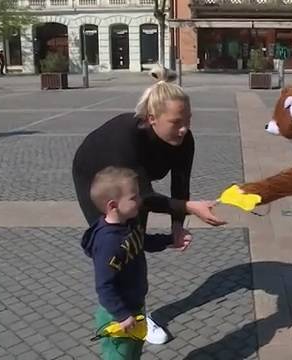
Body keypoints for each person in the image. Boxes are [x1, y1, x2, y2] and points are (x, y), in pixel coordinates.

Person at [72, 64, 226, 243]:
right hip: (92, 171)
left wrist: (177, 226)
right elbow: (144, 195)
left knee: (137, 235)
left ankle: (135, 265)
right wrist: (189, 207)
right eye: (175, 122)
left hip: (135, 179)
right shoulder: (127, 138)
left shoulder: (185, 139)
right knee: (112, 236)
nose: (184, 129)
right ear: (152, 118)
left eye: (188, 120)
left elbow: (180, 185)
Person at [81, 166, 191, 359]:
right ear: (113, 206)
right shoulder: (108, 242)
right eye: (134, 197)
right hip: (117, 315)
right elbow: (104, 285)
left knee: (133, 352)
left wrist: (169, 240)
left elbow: (143, 241)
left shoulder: (129, 224)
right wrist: (121, 314)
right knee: (120, 355)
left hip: (135, 305)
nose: (140, 201)